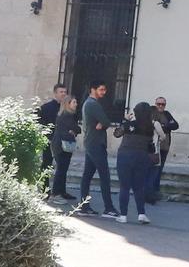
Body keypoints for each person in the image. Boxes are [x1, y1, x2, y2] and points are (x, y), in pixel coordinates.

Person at [77, 82, 117, 216]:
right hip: (95, 143)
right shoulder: (92, 104)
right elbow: (106, 121)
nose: (104, 92)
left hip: (92, 142)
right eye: (101, 89)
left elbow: (104, 122)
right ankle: (108, 208)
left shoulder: (90, 103)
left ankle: (84, 206)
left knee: (87, 175)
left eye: (105, 89)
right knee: (104, 175)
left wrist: (102, 123)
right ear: (93, 89)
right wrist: (102, 123)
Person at [114, 101, 156, 224]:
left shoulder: (129, 125)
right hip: (142, 157)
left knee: (124, 186)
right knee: (139, 187)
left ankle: (123, 216)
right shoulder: (150, 128)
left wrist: (125, 120)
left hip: (125, 156)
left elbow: (117, 133)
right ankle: (141, 214)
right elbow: (150, 145)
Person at [47, 92, 80, 200]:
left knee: (63, 169)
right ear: (68, 103)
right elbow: (73, 129)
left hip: (65, 146)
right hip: (60, 146)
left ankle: (62, 191)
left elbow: (77, 129)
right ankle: (55, 193)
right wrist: (73, 130)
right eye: (74, 102)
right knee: (61, 169)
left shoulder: (69, 115)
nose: (76, 104)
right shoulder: (66, 115)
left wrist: (73, 130)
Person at [148, 95, 177, 201]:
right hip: (153, 146)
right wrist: (165, 126)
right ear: (155, 104)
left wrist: (163, 127)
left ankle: (155, 191)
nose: (160, 106)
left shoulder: (167, 114)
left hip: (164, 146)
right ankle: (149, 192)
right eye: (158, 104)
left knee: (159, 170)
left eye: (162, 104)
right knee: (151, 170)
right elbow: (150, 126)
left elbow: (175, 125)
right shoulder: (151, 113)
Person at [36, 85, 65, 178]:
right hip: (49, 139)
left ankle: (59, 190)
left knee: (62, 166)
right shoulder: (46, 107)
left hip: (62, 140)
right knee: (46, 163)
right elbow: (37, 118)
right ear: (55, 93)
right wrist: (46, 131)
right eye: (61, 92)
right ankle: (45, 189)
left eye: (65, 92)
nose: (63, 94)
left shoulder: (67, 108)